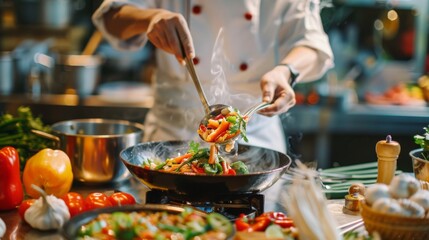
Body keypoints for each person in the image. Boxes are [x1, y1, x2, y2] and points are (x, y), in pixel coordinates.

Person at [93, 0, 333, 211]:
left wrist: (286, 71)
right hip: (170, 133)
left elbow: (312, 43)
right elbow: (109, 16)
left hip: (257, 144)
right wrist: (150, 18)